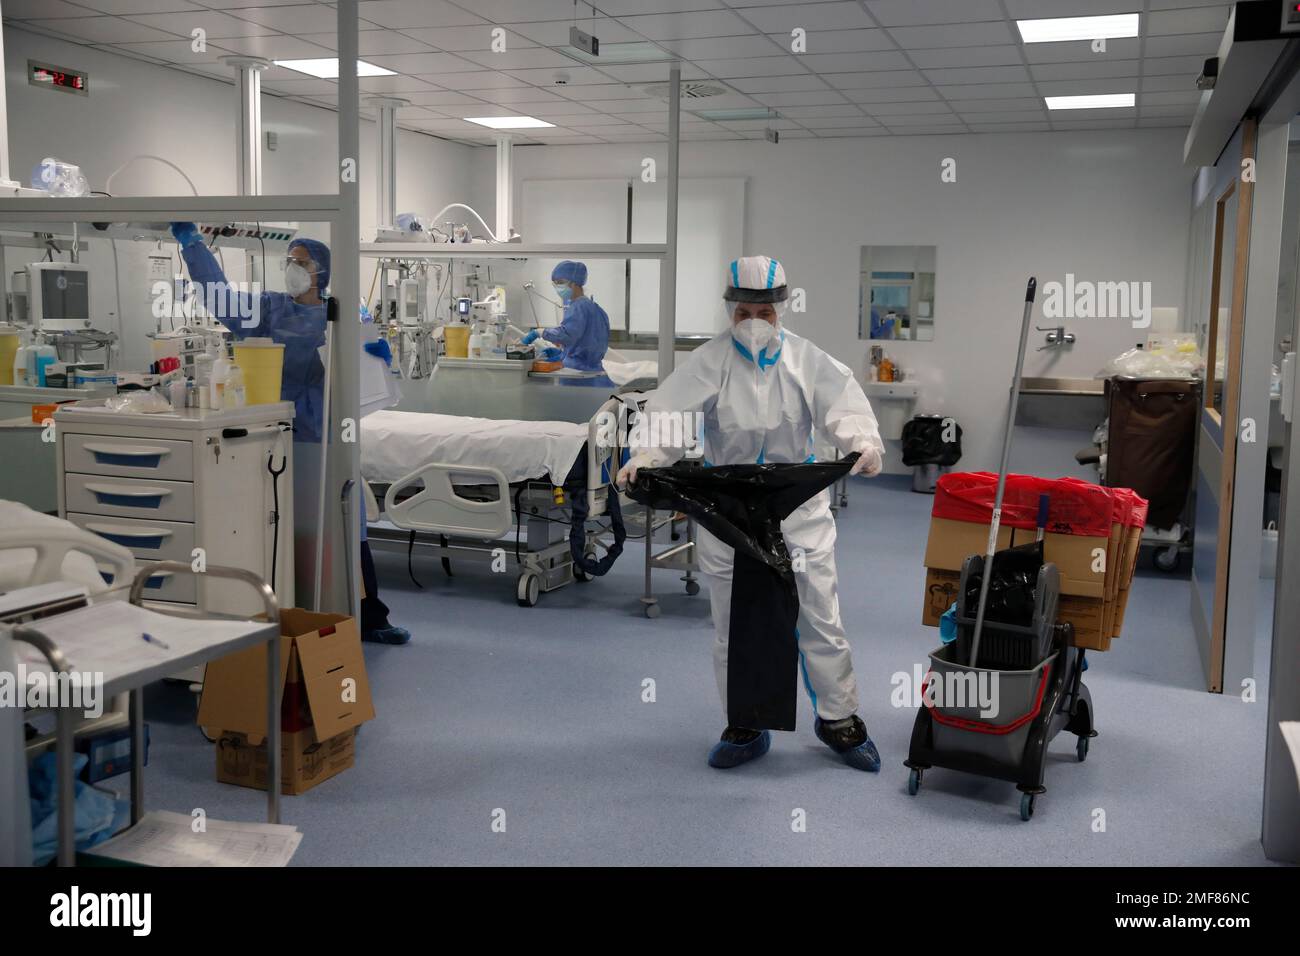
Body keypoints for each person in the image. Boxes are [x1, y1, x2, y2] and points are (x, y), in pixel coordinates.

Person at [617, 255, 885, 772]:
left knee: (819, 617)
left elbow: (844, 407)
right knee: (734, 622)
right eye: (744, 312)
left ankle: (839, 721)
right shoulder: (708, 362)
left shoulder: (809, 362)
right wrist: (648, 455)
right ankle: (746, 722)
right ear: (730, 311)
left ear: (781, 309)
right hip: (730, 514)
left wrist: (863, 442)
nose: (755, 322)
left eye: (765, 310)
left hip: (798, 509)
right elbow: (669, 414)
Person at [170, 223, 410, 644]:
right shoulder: (268, 308)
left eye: (300, 264)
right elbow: (219, 296)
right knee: (272, 521)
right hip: (269, 432)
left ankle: (371, 615)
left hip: (323, 432)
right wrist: (193, 247)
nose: (291, 270)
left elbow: (363, 373)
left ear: (321, 273)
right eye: (289, 262)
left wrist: (377, 359)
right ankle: (283, 610)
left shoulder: (342, 313)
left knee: (346, 525)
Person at [520, 260, 610, 372]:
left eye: (560, 282)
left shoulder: (578, 307)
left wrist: (540, 332)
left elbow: (567, 335)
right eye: (555, 283)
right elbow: (585, 341)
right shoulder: (595, 308)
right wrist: (563, 353)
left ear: (574, 283)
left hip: (577, 371)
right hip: (592, 369)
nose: (557, 287)